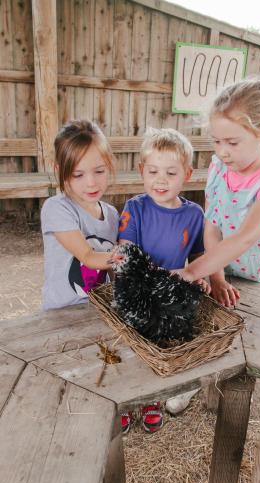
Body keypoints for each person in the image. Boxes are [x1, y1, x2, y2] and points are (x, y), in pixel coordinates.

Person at [118, 127, 206, 433]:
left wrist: (200, 276)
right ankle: (126, 399)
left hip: (170, 290)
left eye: (171, 172)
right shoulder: (135, 208)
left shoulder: (194, 215)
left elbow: (196, 256)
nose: (161, 179)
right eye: (153, 170)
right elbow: (127, 248)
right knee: (132, 345)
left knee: (160, 345)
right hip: (138, 288)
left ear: (187, 174)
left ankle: (153, 398)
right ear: (142, 170)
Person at [180, 78, 260, 302]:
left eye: (232, 143)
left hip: (259, 281)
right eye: (217, 141)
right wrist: (216, 276)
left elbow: (244, 238)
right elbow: (212, 226)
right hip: (222, 270)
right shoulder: (218, 168)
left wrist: (191, 271)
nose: (223, 152)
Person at [41, 119, 119, 311]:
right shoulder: (57, 208)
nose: (91, 183)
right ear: (60, 171)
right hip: (63, 312)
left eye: (99, 171)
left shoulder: (112, 214)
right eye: (78, 175)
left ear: (109, 164)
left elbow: (111, 271)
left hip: (101, 310)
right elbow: (88, 256)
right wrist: (128, 259)